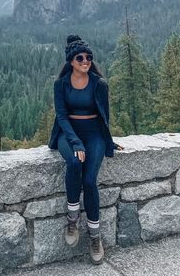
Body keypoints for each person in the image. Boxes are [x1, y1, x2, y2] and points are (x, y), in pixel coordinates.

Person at [48, 34, 124, 265]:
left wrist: (108, 141)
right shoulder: (60, 84)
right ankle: (72, 217)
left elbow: (105, 116)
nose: (85, 61)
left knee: (89, 181)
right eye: (80, 57)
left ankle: (95, 235)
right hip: (68, 133)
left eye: (89, 57)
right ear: (71, 61)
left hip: (94, 134)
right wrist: (75, 143)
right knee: (73, 162)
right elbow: (61, 115)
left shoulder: (98, 84)